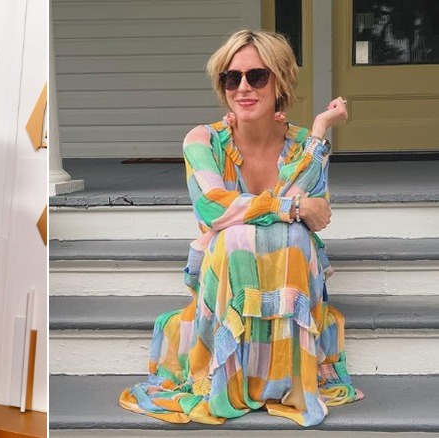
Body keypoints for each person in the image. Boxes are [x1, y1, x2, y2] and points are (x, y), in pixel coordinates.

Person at [119, 29, 363, 427]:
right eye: (232, 78)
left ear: (280, 82)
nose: (243, 87)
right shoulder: (202, 140)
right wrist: (292, 206)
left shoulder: (303, 145)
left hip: (284, 269)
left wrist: (319, 131)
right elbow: (214, 208)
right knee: (234, 236)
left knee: (292, 237)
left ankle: (285, 376)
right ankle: (233, 375)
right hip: (225, 273)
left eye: (257, 76)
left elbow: (309, 208)